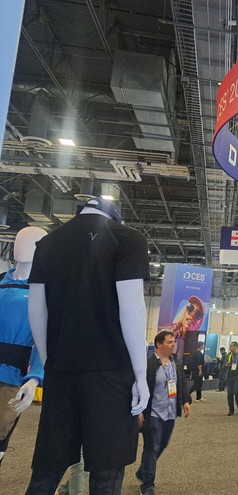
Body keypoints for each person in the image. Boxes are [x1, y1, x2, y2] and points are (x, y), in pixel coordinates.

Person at [26, 197, 150, 495]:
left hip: (60, 369)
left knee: (48, 466)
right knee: (107, 468)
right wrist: (140, 374)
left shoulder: (48, 243)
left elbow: (36, 310)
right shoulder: (128, 239)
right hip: (111, 371)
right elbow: (132, 306)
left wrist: (50, 361)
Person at [1, 227, 46, 467]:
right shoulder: (1, 280)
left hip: (12, 377)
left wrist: (35, 377)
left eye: (32, 241)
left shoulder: (43, 291)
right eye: (19, 238)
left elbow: (43, 339)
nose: (22, 244)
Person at [136, 330, 191, 495]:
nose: (173, 344)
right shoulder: (149, 365)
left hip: (170, 412)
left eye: (173, 342)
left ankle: (143, 471)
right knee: (151, 448)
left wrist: (185, 401)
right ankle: (147, 486)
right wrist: (139, 410)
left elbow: (181, 382)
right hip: (153, 413)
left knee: (162, 444)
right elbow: (140, 387)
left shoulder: (175, 363)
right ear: (159, 344)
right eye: (169, 342)